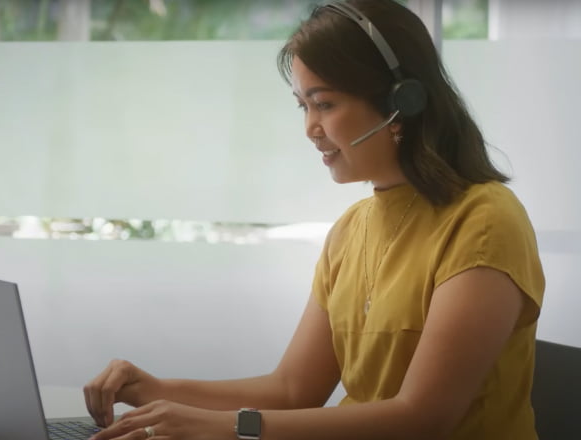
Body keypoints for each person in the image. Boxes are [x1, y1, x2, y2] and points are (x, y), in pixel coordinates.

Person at [84, 1, 545, 439]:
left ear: (401, 103)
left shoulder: (484, 220)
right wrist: (150, 389)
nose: (310, 128)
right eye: (303, 106)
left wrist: (227, 429)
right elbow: (291, 390)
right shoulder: (351, 228)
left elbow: (420, 420)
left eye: (324, 104)